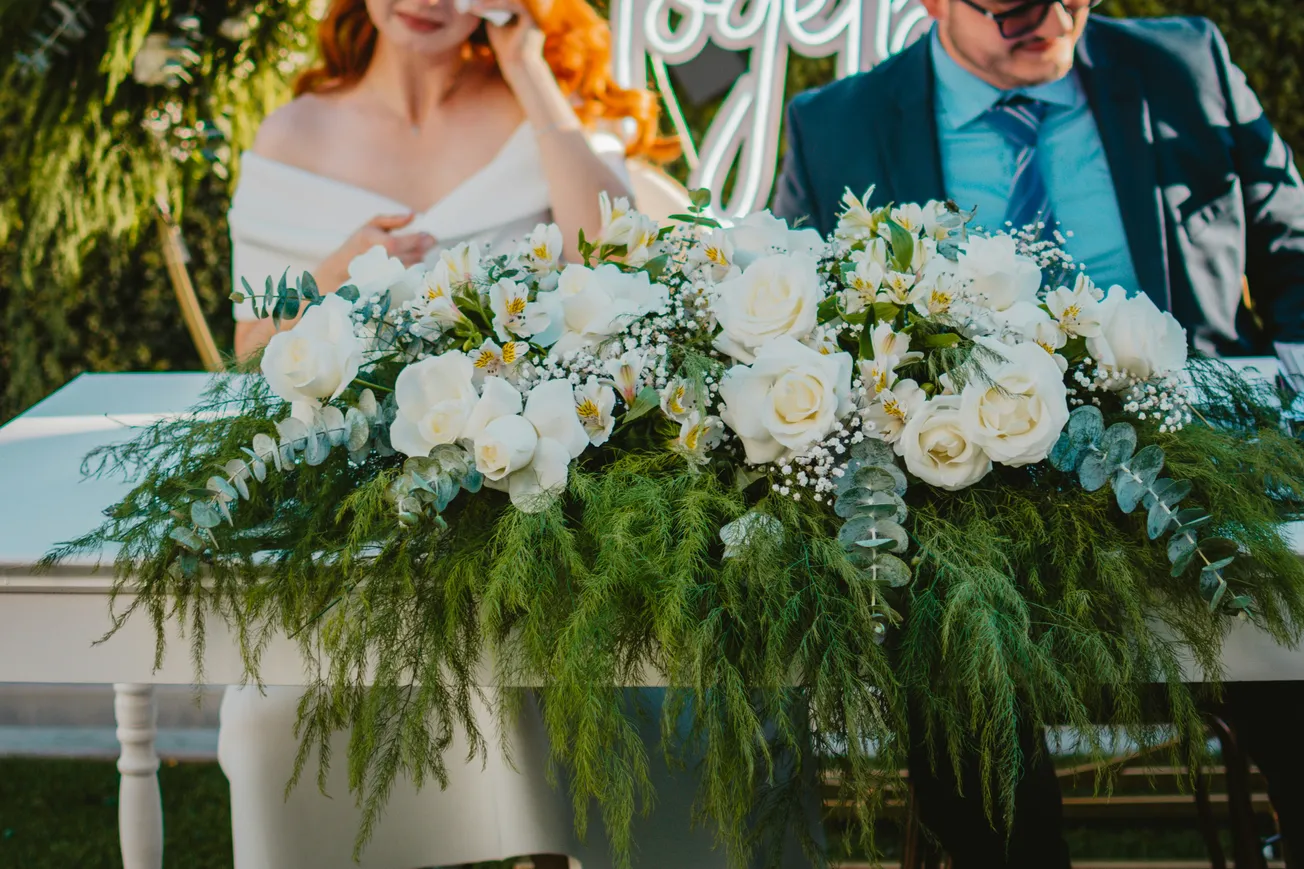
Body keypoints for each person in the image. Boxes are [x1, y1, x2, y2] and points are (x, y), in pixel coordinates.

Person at [773, 0, 1304, 866]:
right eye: (1016, 5)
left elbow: (1294, 249)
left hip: (1207, 477)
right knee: (953, 670)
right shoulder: (839, 124)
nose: (1053, 19)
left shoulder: (1186, 65)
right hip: (969, 507)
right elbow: (806, 331)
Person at [221, 1, 694, 867]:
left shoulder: (536, 108)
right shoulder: (295, 134)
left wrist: (526, 65)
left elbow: (619, 258)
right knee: (280, 710)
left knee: (569, 673)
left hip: (539, 497)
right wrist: (328, 280)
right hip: (360, 509)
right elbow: (249, 354)